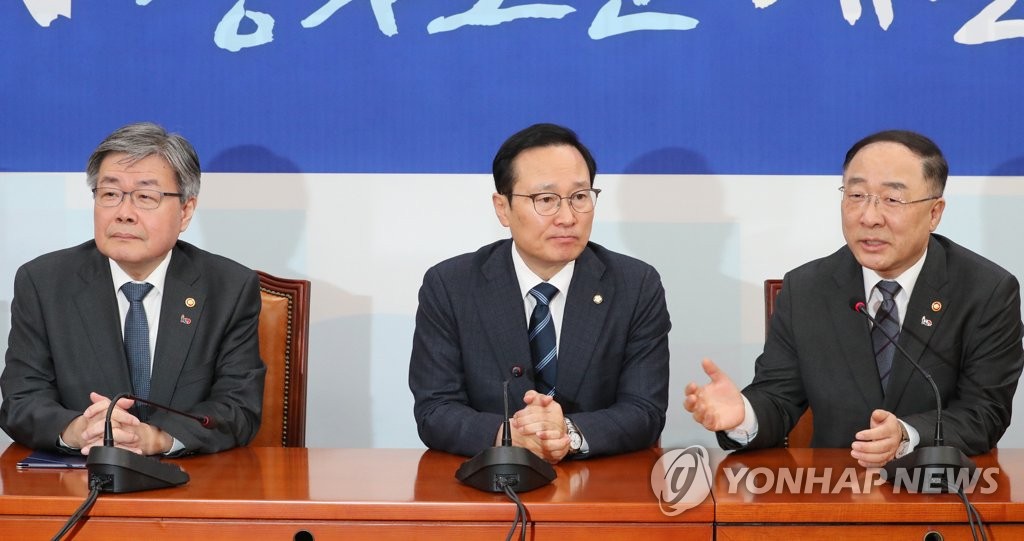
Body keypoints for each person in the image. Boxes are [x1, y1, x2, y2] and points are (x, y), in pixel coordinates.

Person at [684, 129, 1024, 467]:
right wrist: (743, 416)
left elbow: (985, 412)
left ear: (934, 213)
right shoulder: (806, 289)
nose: (869, 217)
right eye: (856, 195)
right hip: (833, 487)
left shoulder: (986, 291)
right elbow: (778, 397)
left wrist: (906, 434)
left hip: (938, 487)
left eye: (892, 200)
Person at [409, 123, 671, 463]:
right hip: (489, 481)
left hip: (598, 481)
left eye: (580, 197)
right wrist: (508, 435)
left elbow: (645, 410)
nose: (567, 217)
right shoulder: (450, 285)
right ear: (502, 208)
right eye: (546, 199)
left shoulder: (635, 285)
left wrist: (566, 434)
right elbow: (435, 410)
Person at [1, 122, 266, 456]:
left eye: (145, 197)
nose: (124, 213)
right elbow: (21, 399)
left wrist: (156, 438)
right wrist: (77, 430)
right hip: (81, 476)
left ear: (185, 211)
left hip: (189, 478)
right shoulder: (43, 283)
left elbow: (238, 408)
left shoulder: (229, 289)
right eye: (110, 194)